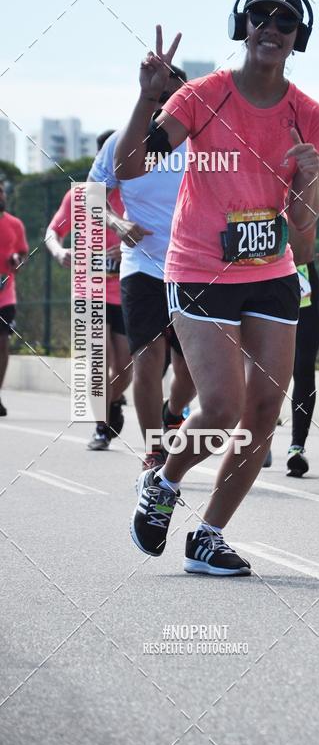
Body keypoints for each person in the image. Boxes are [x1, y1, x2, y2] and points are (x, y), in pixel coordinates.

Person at [119, 0, 319, 575]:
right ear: (244, 26)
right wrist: (146, 97)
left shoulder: (307, 114)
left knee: (263, 411)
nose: (272, 28)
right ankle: (163, 484)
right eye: (261, 16)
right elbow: (133, 168)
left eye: (285, 22)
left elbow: (306, 235)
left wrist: (310, 176)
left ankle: (208, 535)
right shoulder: (203, 96)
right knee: (219, 408)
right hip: (201, 269)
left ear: (298, 38)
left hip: (272, 271)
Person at [88, 67, 195, 471]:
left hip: (193, 267)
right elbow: (93, 196)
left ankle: (174, 411)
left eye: (174, 95)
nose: (166, 103)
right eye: (158, 95)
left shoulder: (203, 144)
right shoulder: (122, 143)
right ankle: (154, 452)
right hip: (142, 267)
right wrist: (117, 224)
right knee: (147, 359)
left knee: (192, 372)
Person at [45, 132, 132, 449]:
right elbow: (52, 232)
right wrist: (59, 252)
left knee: (125, 368)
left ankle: (112, 401)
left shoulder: (136, 192)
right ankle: (100, 427)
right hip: (88, 290)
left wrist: (128, 251)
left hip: (124, 292)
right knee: (98, 361)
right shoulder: (80, 196)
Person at [264, 175, 319, 475]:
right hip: (264, 272)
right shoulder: (264, 173)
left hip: (302, 275)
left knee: (303, 365)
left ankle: (297, 446)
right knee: (263, 366)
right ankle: (261, 439)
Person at [0, 180, 28, 417]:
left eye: (1, 191)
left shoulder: (15, 224)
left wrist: (17, 259)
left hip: (5, 295)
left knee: (2, 344)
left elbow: (23, 253)